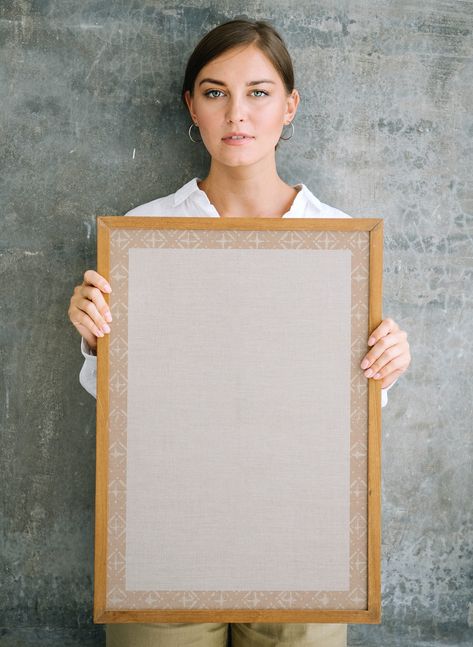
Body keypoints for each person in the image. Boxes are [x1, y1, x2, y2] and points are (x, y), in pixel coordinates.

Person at [68, 18, 411, 647]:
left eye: (258, 92)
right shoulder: (143, 231)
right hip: (166, 536)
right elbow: (123, 408)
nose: (237, 114)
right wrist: (96, 337)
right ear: (190, 107)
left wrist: (386, 362)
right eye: (214, 91)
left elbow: (347, 413)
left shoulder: (341, 239)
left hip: (303, 538)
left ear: (290, 106)